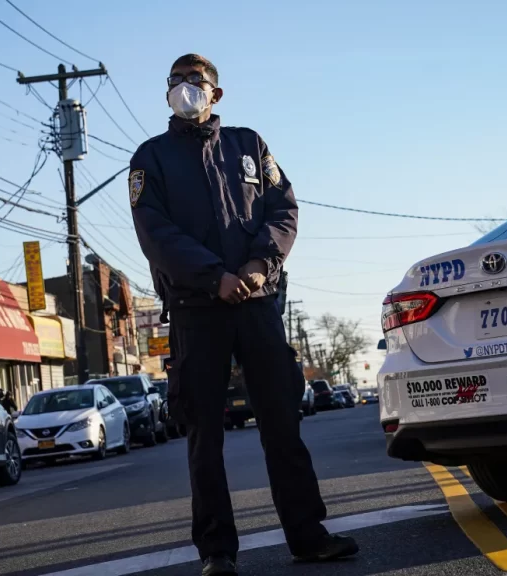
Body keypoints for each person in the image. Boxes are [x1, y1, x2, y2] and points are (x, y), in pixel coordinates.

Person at [129, 54, 358, 576]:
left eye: (196, 81)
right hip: (196, 310)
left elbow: (284, 210)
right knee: (203, 434)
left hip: (257, 304)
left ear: (217, 94)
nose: (186, 89)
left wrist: (258, 264)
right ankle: (217, 552)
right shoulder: (151, 159)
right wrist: (215, 276)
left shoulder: (249, 145)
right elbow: (155, 234)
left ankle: (307, 534)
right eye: (177, 82)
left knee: (281, 422)